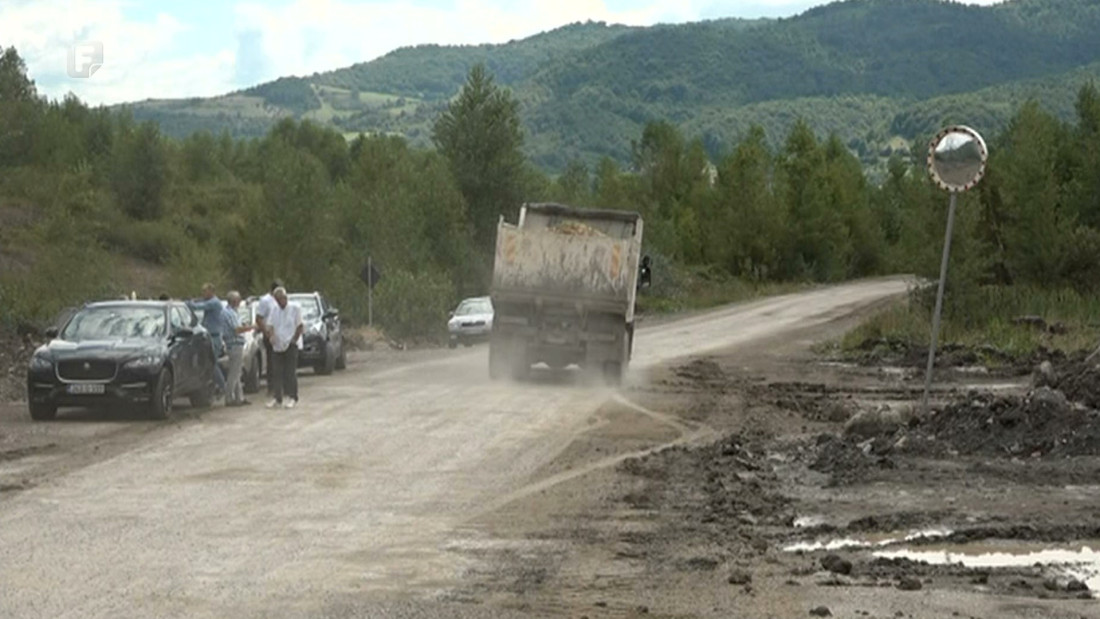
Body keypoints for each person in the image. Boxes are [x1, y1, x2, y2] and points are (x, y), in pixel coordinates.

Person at [264, 286, 303, 409]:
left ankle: (292, 397)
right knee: (276, 372)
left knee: (290, 372)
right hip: (277, 345)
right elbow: (270, 325)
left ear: (285, 298)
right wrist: (271, 336)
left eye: (281, 299)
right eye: (277, 299)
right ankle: (277, 398)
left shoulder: (295, 308)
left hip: (290, 344)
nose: (279, 302)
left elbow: (300, 326)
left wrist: (294, 340)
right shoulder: (274, 310)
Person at [187, 283, 227, 399]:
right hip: (210, 336)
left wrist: (188, 303)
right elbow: (200, 302)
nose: (203, 293)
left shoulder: (214, 303)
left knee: (211, 363)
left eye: (205, 291)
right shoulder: (211, 302)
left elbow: (198, 307)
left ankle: (222, 386)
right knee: (208, 363)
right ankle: (215, 386)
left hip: (214, 337)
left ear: (211, 291)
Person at [222, 291, 253, 407]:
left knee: (237, 372)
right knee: (234, 373)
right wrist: (251, 327)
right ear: (234, 301)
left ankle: (239, 397)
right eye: (238, 300)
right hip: (234, 345)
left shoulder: (233, 312)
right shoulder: (229, 313)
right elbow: (236, 329)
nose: (240, 302)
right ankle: (229, 398)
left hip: (236, 345)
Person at [253, 279, 283, 399]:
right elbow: (259, 318)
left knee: (281, 360)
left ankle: (280, 386)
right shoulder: (265, 301)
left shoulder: (281, 300)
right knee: (272, 361)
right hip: (270, 333)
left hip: (281, 334)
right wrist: (266, 332)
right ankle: (272, 387)